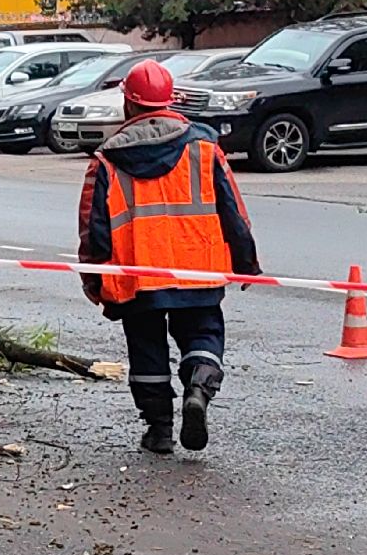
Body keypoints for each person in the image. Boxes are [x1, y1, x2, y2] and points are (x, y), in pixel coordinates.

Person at [78, 59, 260, 455]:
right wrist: (246, 261)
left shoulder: (107, 159)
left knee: (146, 349)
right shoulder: (204, 147)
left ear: (128, 103)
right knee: (203, 334)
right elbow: (233, 208)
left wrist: (95, 282)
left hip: (137, 274)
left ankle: (159, 430)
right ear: (169, 100)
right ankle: (198, 385)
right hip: (198, 268)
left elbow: (93, 227)